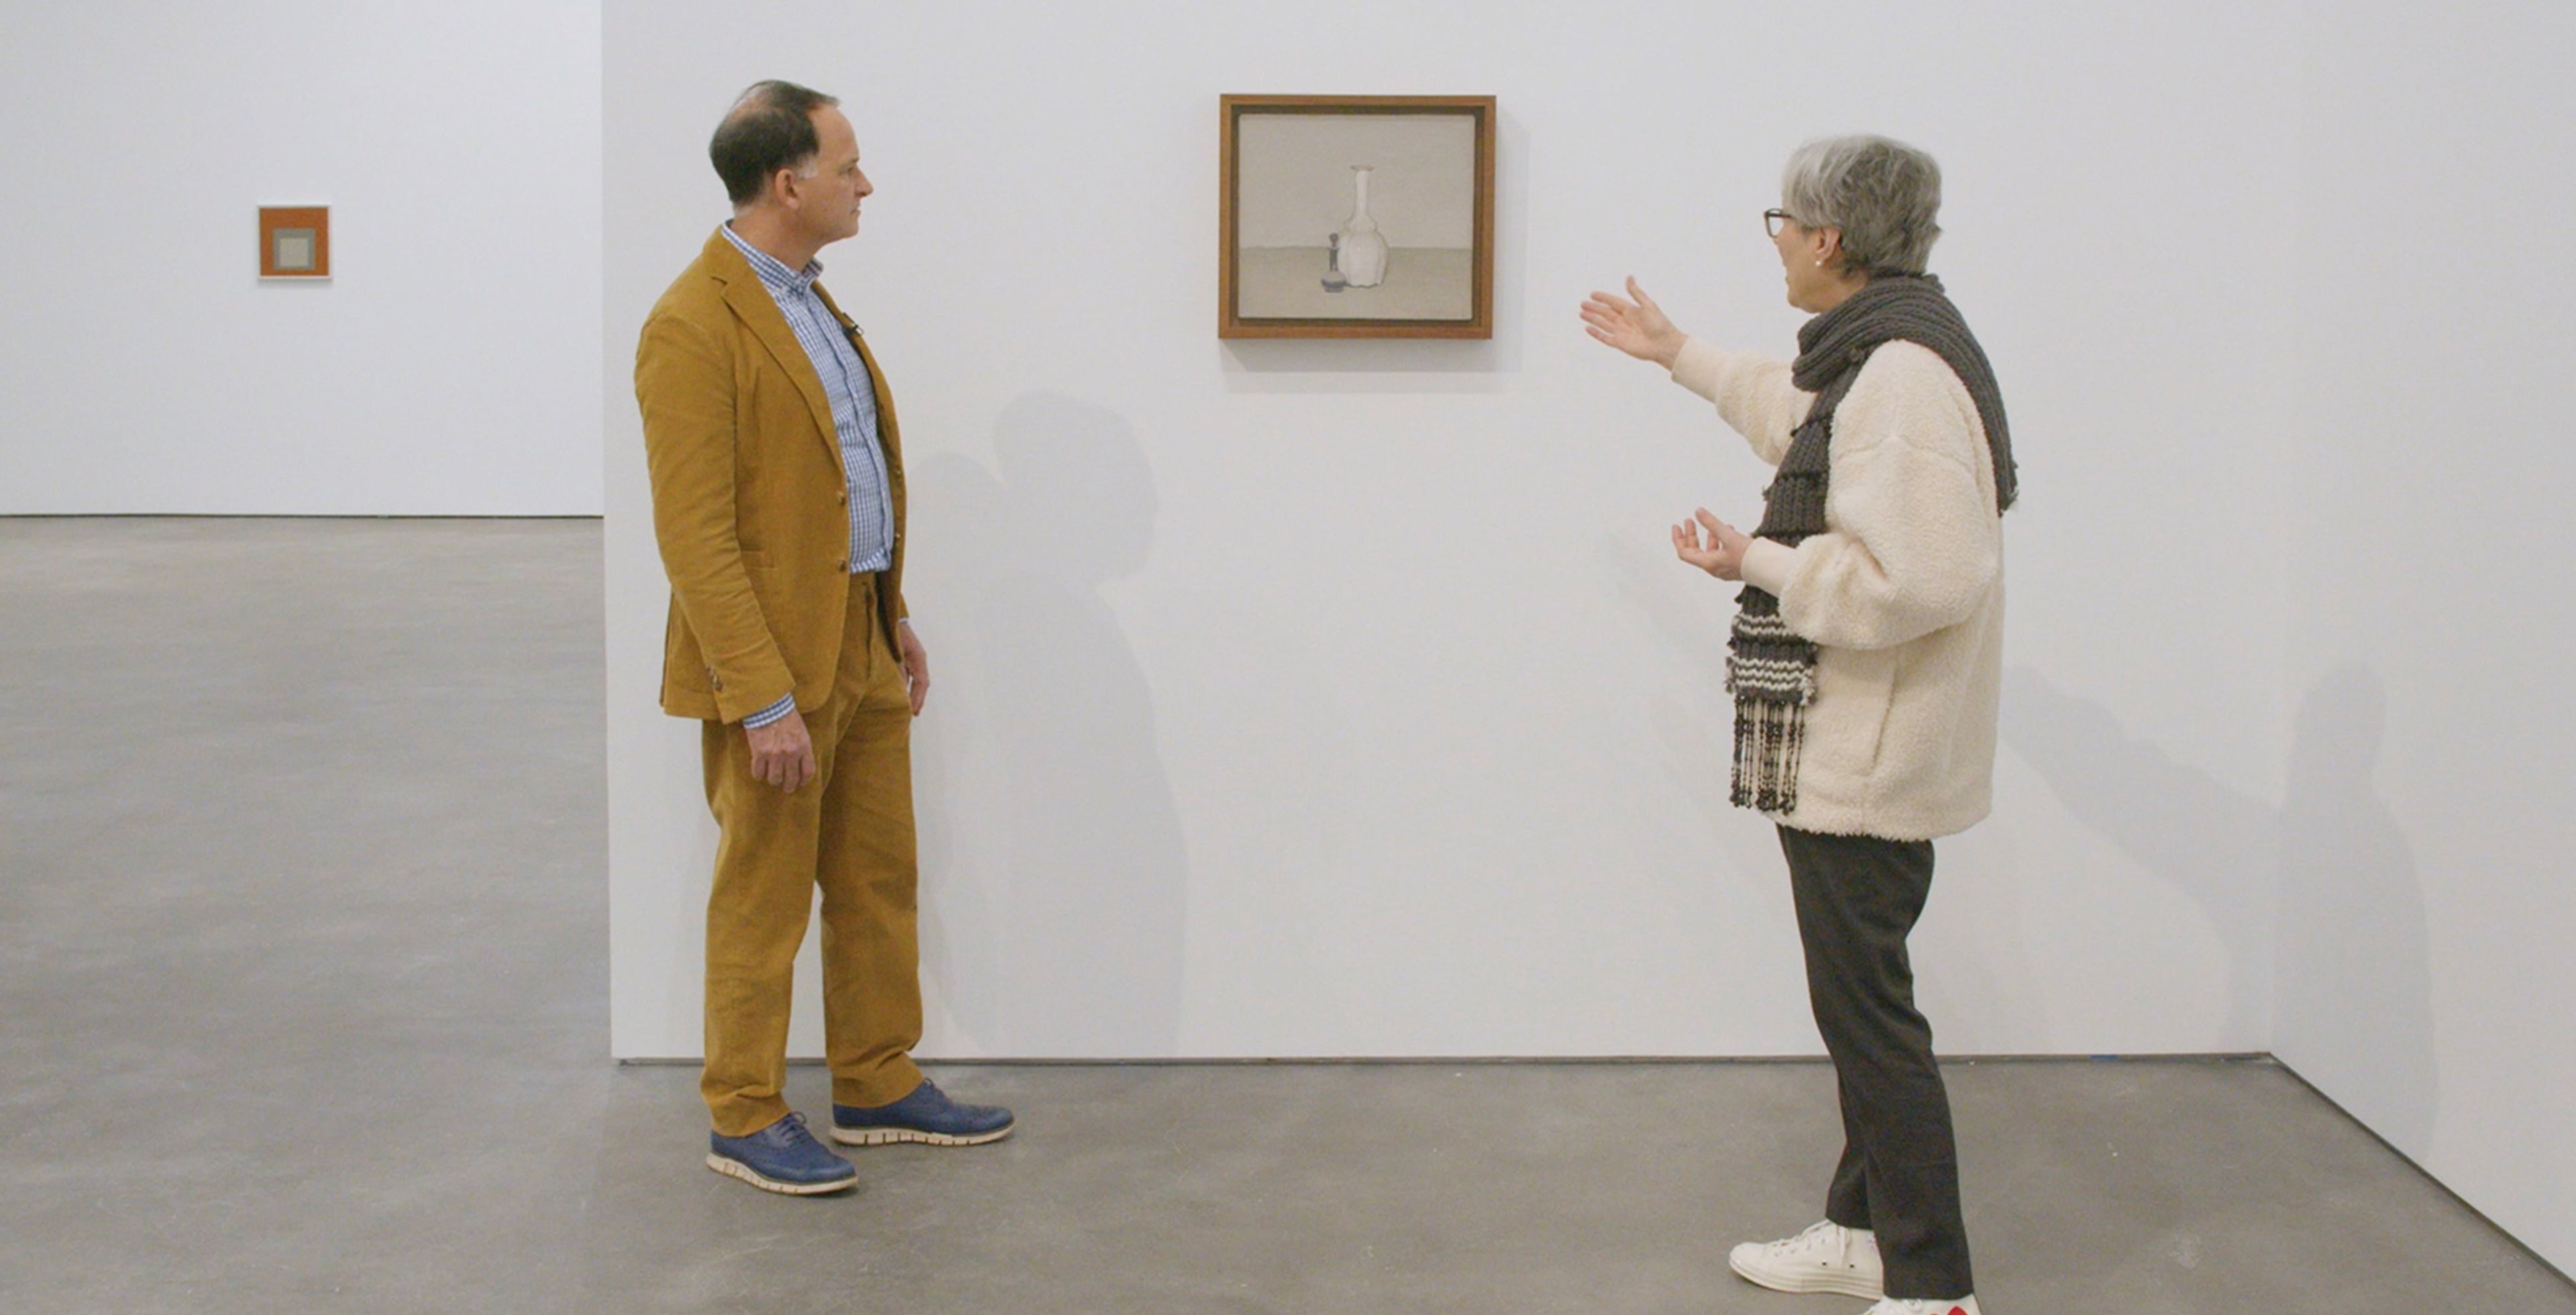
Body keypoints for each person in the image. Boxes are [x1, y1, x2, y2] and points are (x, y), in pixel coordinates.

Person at [1581, 135, 2016, 1315]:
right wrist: (1678, 354)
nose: (1773, 239)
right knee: (1860, 1000)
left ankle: (1934, 1285)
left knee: (1870, 1021)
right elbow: (1803, 415)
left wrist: (1758, 558)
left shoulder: (1907, 377)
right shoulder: (1883, 352)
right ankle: (1862, 1230)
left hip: (1868, 755)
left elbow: (1921, 580)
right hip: (1861, 742)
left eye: (1780, 220)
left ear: (1827, 239)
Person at [635, 80, 1013, 1196]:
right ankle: (743, 1112)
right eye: (849, 166)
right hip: (773, 665)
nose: (867, 183)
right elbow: (695, 535)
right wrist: (759, 696)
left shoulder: (810, 300)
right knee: (762, 895)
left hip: (856, 634)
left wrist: (888, 613)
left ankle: (876, 1079)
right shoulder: (691, 322)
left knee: (873, 876)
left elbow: (840, 481)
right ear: (788, 181)